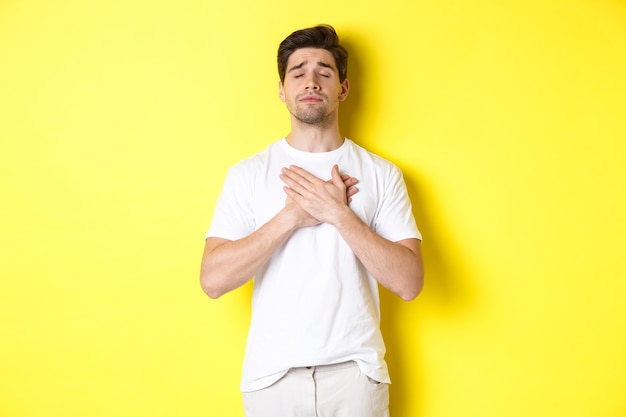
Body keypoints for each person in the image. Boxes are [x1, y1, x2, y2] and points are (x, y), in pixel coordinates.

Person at [200, 24, 424, 417]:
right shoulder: (249, 173)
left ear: (343, 88)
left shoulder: (381, 173)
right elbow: (213, 280)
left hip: (356, 377)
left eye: (324, 71)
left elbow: (408, 283)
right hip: (272, 379)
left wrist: (338, 213)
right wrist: (292, 217)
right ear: (282, 90)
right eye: (297, 71)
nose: (311, 80)